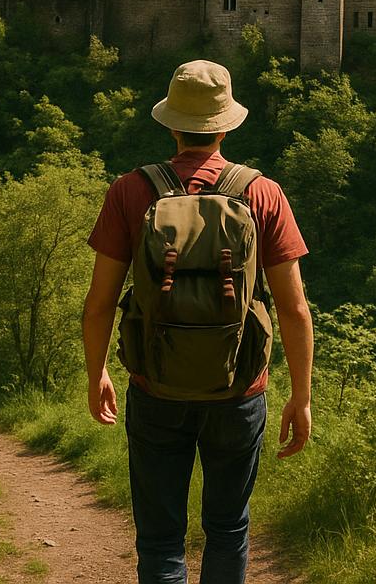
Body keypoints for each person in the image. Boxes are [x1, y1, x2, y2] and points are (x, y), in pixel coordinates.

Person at [82, 59, 314, 584]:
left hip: (155, 385)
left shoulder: (131, 192)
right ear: (226, 125)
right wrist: (301, 396)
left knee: (161, 538)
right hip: (238, 390)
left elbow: (99, 303)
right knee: (228, 529)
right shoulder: (261, 193)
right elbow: (295, 308)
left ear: (171, 124)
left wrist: (97, 372)